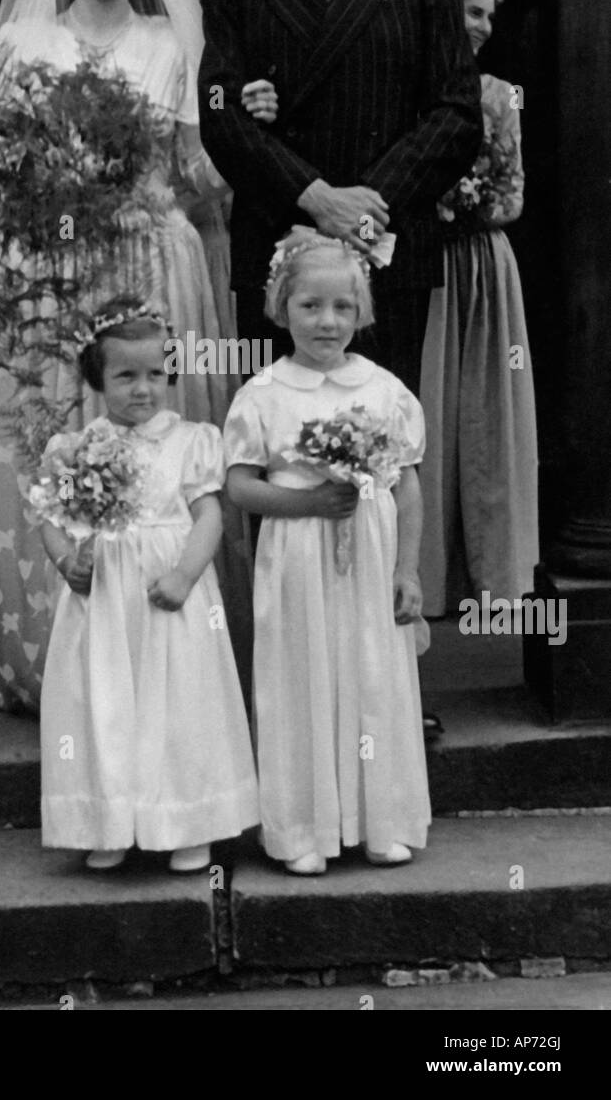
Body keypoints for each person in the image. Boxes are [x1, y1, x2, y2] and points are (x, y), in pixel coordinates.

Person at [0, 0, 242, 712]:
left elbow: (198, 168)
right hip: (53, 270)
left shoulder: (169, 43)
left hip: (150, 264)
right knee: (61, 443)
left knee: (155, 447)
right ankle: (63, 661)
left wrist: (167, 186)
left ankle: (165, 653)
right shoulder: (20, 43)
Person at [198, 0, 483, 398]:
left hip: (386, 246)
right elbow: (220, 113)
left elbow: (457, 112)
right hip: (279, 245)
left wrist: (366, 204)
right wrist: (317, 197)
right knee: (279, 450)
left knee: (378, 446)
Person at [223, 229, 431, 875]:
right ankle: (303, 829)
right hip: (297, 556)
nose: (327, 321)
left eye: (342, 307)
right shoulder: (264, 393)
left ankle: (379, 819)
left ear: (361, 311)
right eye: (310, 306)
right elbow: (239, 486)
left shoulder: (384, 389)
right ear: (282, 307)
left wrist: (407, 570)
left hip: (369, 556)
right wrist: (309, 504)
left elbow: (408, 485)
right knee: (301, 676)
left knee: (373, 675)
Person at [34, 298, 259, 871]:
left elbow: (209, 515)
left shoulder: (191, 440)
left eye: (155, 374)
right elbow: (51, 519)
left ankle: (188, 821)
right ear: (97, 378)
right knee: (105, 702)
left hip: (171, 592)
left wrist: (185, 574)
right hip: (105, 595)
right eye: (125, 376)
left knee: (180, 704)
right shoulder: (77, 448)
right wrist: (66, 562)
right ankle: (108, 821)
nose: (142, 389)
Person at [418, 0, 539, 615]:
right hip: (430, 262)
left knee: (486, 410)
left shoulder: (501, 95)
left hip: (485, 264)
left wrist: (467, 204)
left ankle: (494, 574)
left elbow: (514, 193)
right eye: (473, 11)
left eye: (491, 15)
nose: (484, 27)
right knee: (430, 407)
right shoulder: (411, 87)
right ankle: (428, 578)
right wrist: (430, 205)